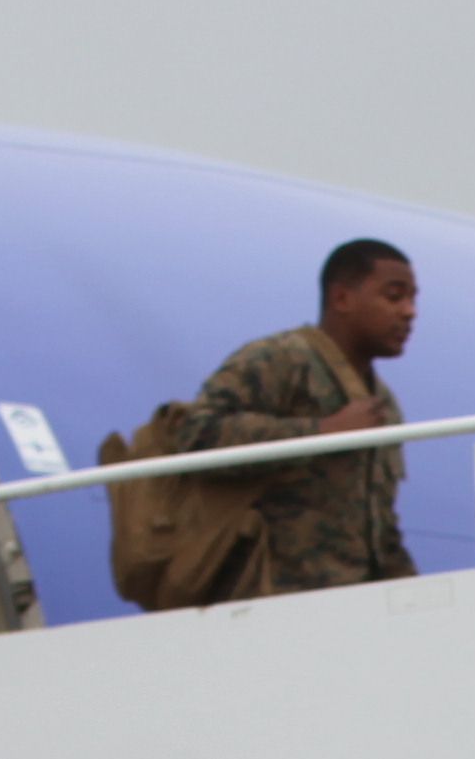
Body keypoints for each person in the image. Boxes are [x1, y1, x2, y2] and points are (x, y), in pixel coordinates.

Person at [178, 237, 425, 593]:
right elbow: (196, 435)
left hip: (350, 608)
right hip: (268, 605)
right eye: (393, 296)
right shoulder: (279, 360)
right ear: (341, 298)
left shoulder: (382, 403)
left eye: (413, 299)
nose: (408, 311)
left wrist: (414, 598)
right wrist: (321, 431)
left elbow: (381, 527)